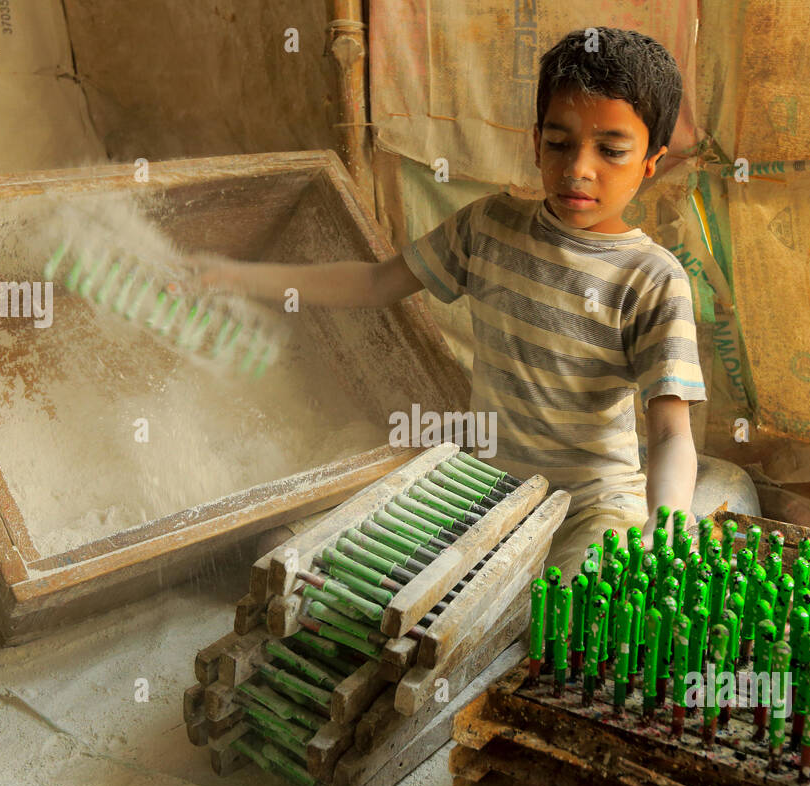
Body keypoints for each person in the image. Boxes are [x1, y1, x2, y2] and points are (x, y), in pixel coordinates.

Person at [196, 27, 758, 571]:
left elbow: (669, 433)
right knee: (334, 574)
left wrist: (666, 530)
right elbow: (374, 283)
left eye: (611, 151)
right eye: (560, 143)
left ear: (650, 164)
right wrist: (234, 277)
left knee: (580, 609)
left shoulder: (651, 278)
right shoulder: (489, 228)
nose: (578, 169)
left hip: (593, 505)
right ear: (536, 141)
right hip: (484, 488)